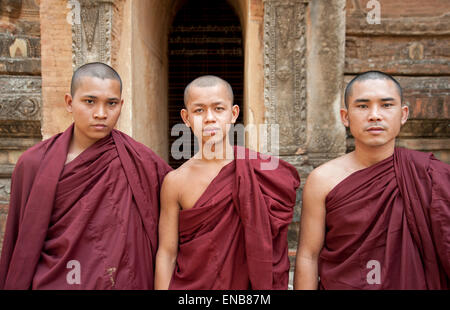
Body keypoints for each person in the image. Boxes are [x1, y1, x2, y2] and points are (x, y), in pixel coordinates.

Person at [0, 62, 172, 289]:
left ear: (121, 105)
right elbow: (20, 240)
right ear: (69, 103)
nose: (101, 114)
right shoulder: (33, 164)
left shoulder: (141, 161)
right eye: (89, 102)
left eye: (111, 104)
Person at [294, 71, 449, 290]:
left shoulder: (429, 175)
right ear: (345, 117)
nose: (375, 115)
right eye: (363, 106)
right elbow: (308, 256)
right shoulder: (323, 179)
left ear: (403, 114)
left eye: (386, 105)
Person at [155, 75, 300, 290]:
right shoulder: (176, 181)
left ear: (233, 114)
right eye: (199, 110)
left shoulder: (261, 171)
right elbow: (167, 253)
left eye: (218, 109)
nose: (209, 118)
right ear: (186, 118)